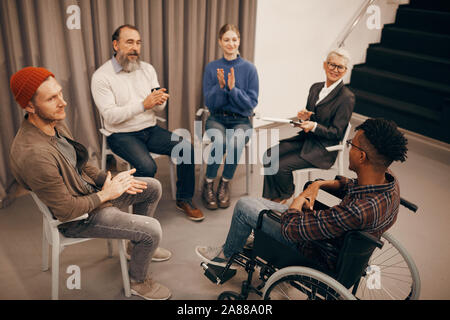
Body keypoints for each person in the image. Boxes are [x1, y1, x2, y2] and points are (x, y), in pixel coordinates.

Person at [9, 67, 172, 300]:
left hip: (89, 193)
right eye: (52, 98)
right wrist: (107, 194)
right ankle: (138, 281)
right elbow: (66, 211)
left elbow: (81, 164)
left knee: (151, 187)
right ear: (29, 106)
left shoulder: (53, 122)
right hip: (77, 218)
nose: (62, 103)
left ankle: (134, 249)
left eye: (60, 94)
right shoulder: (34, 154)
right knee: (152, 230)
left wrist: (109, 180)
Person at [196, 118, 408, 272]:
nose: (348, 148)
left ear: (361, 156)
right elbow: (352, 186)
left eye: (351, 144)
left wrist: (297, 202)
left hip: (316, 250)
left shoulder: (358, 211)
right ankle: (247, 243)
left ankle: (225, 257)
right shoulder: (388, 180)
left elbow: (292, 229)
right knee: (265, 204)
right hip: (340, 241)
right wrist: (320, 184)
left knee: (244, 206)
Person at [91, 24, 204, 222]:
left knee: (186, 148)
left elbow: (157, 106)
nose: (135, 47)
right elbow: (110, 116)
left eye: (138, 43)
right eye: (130, 42)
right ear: (116, 45)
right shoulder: (101, 76)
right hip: (120, 134)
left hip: (149, 129)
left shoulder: (147, 69)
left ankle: (184, 199)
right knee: (147, 167)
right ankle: (141, 218)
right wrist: (143, 105)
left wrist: (159, 102)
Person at [263, 48, 354, 203]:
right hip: (306, 140)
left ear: (345, 71)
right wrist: (305, 117)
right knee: (269, 155)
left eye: (340, 67)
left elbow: (337, 133)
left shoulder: (347, 98)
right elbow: (314, 116)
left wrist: (314, 126)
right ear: (325, 65)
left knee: (280, 165)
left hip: (322, 149)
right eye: (332, 65)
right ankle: (272, 197)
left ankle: (285, 195)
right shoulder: (316, 88)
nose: (335, 70)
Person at [201, 24, 259, 210]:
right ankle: (208, 183)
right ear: (220, 42)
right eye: (226, 39)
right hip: (216, 118)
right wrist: (220, 87)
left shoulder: (250, 69)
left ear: (239, 41)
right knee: (220, 142)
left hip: (241, 121)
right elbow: (210, 103)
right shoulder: (212, 68)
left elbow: (250, 104)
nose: (230, 43)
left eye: (234, 39)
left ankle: (224, 183)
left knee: (235, 142)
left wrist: (233, 89)